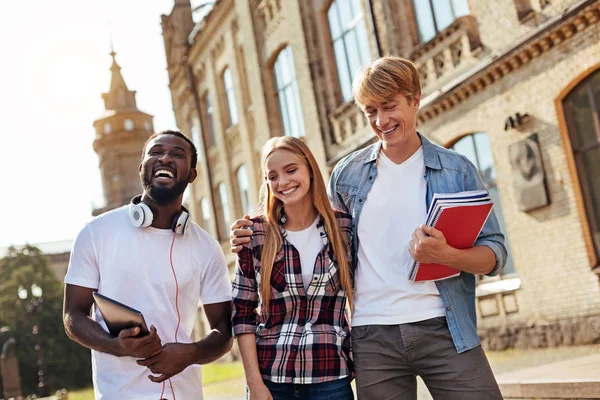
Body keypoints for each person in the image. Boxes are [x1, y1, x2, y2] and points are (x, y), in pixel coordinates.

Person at [230, 57, 507, 400]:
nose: (381, 121)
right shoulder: (348, 175)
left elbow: (495, 256)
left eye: (390, 107)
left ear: (415, 99)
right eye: (370, 111)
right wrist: (255, 229)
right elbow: (316, 231)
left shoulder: (457, 170)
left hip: (445, 327)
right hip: (371, 337)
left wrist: (447, 255)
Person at [63, 130, 233, 400]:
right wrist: (115, 345)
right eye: (156, 152)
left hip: (185, 393)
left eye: (177, 154)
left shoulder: (207, 247)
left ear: (191, 174)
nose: (165, 158)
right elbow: (73, 315)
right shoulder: (95, 233)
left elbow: (224, 331)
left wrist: (191, 353)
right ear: (142, 167)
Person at [231, 136, 354, 400]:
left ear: (309, 168)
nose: (282, 182)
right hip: (271, 378)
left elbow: (362, 295)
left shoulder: (343, 227)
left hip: (330, 376)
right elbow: (242, 313)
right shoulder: (255, 233)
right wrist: (254, 383)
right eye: (272, 176)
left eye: (291, 170)